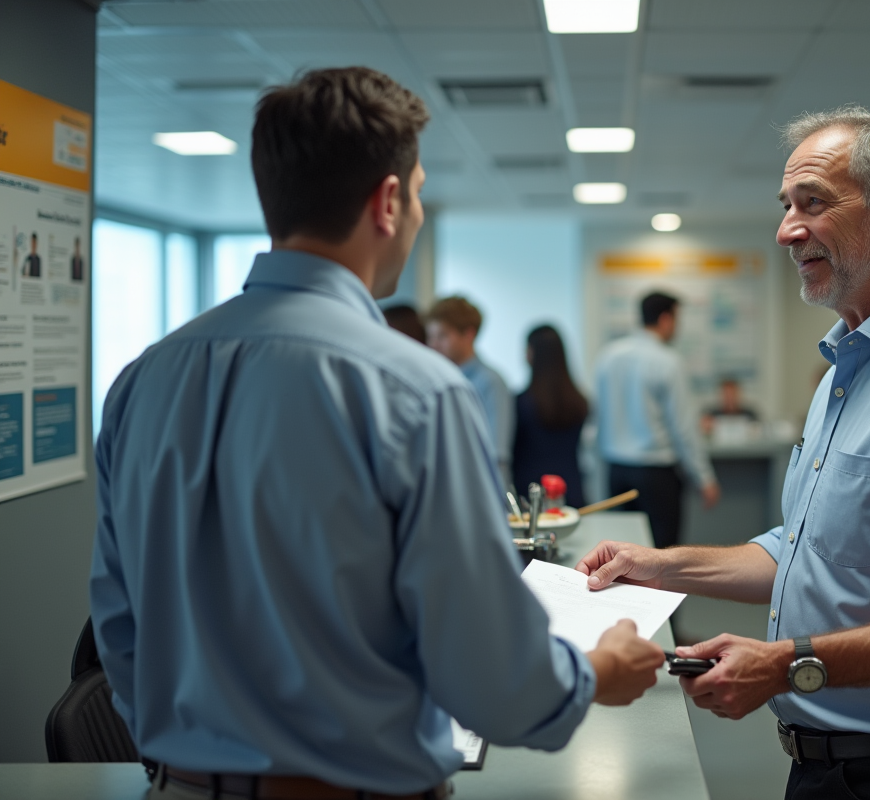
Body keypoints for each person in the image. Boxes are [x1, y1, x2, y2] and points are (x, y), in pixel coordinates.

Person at [89, 67, 662, 800]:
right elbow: (494, 679)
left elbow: (118, 625)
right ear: (389, 203)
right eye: (418, 191)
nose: (418, 211)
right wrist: (602, 670)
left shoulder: (144, 379)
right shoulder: (414, 389)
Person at [577, 106, 870, 800]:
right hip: (825, 770)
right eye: (785, 206)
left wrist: (790, 664)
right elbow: (803, 552)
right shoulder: (845, 369)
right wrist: (658, 566)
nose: (786, 229)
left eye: (813, 203)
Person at [594, 291, 720, 550]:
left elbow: (598, 419)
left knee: (619, 553)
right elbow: (684, 428)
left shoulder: (608, 357)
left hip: (616, 470)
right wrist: (704, 478)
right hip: (656, 475)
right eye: (677, 319)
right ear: (665, 319)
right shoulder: (668, 361)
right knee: (661, 556)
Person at [425, 295, 514, 481]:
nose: (433, 345)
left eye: (442, 336)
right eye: (430, 337)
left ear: (469, 334)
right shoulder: (438, 380)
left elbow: (496, 455)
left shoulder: (490, 382)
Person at [512, 324, 588, 508]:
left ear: (532, 354)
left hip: (530, 495)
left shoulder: (521, 403)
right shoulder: (579, 401)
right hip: (570, 490)